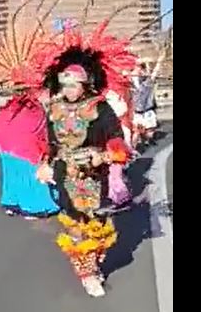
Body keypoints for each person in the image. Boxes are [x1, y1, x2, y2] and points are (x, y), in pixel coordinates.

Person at [35, 30, 135, 298]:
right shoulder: (54, 109)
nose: (68, 90)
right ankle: (87, 274)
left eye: (73, 85)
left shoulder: (99, 108)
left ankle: (94, 263)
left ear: (85, 84)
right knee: (74, 226)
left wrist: (103, 156)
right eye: (64, 84)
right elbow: (50, 143)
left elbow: (116, 139)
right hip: (66, 175)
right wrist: (45, 163)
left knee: (98, 227)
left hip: (94, 176)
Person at [0, 90, 59, 218]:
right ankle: (36, 208)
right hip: (26, 149)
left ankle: (11, 203)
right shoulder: (36, 110)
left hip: (5, 145)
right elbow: (42, 134)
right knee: (31, 176)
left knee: (11, 175)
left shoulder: (14, 106)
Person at [131, 54, 164, 148]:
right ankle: (133, 148)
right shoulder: (132, 83)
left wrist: (159, 61)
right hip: (138, 112)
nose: (140, 71)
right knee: (137, 133)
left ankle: (147, 139)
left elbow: (154, 73)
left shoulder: (147, 83)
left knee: (150, 131)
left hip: (148, 111)